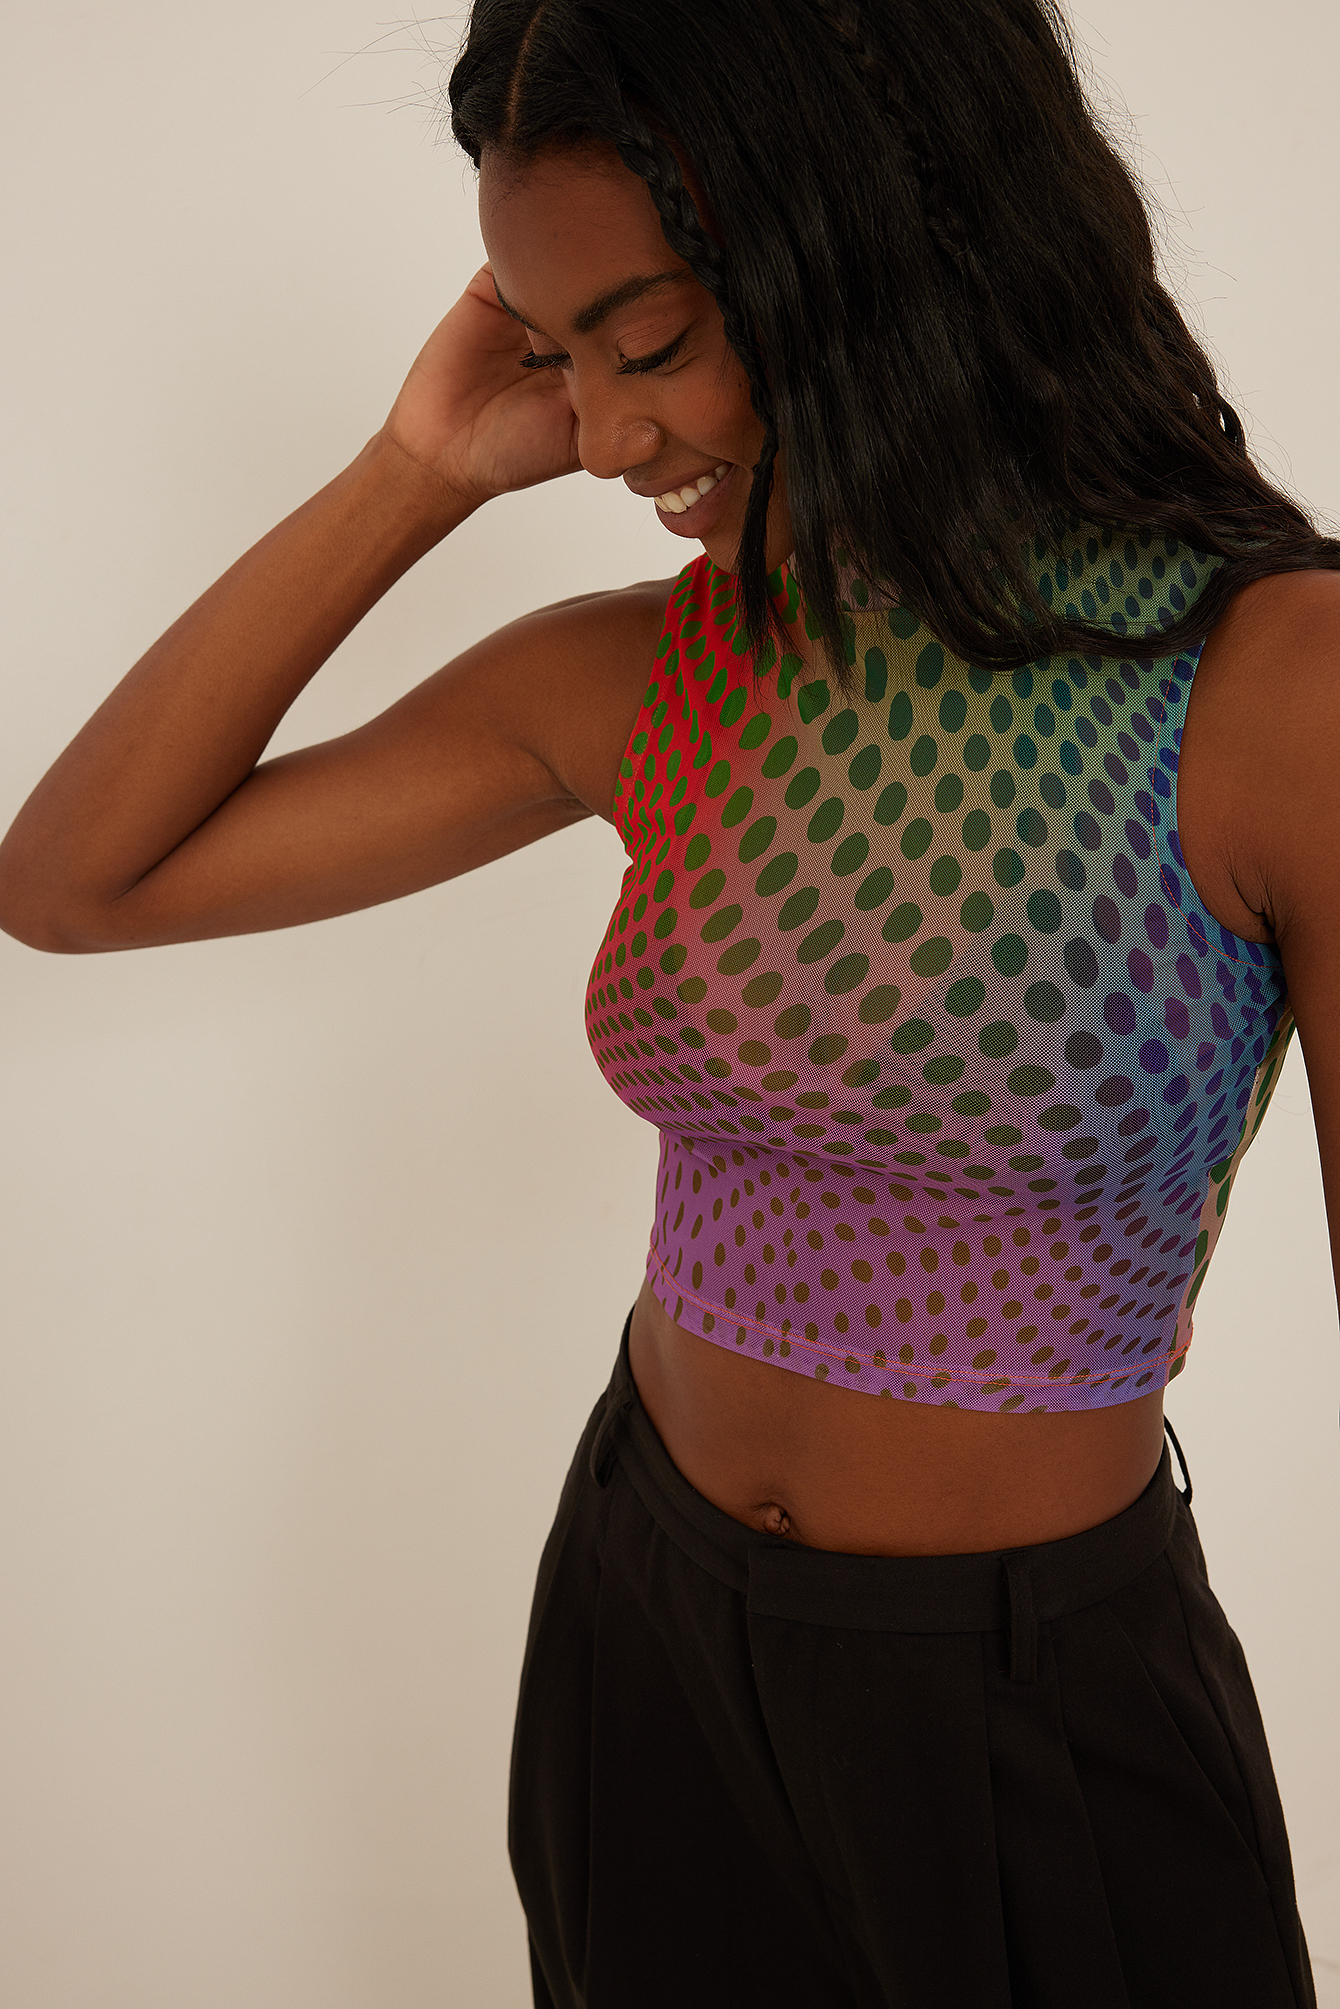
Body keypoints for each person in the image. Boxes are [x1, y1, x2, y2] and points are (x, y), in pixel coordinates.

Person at [1, 0, 1335, 2000]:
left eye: (647, 342)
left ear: (888, 250)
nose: (605, 439)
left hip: (1029, 1701)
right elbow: (70, 881)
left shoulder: (1273, 686)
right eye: (554, 361)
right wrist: (413, 470)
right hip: (646, 1630)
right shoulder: (653, 673)